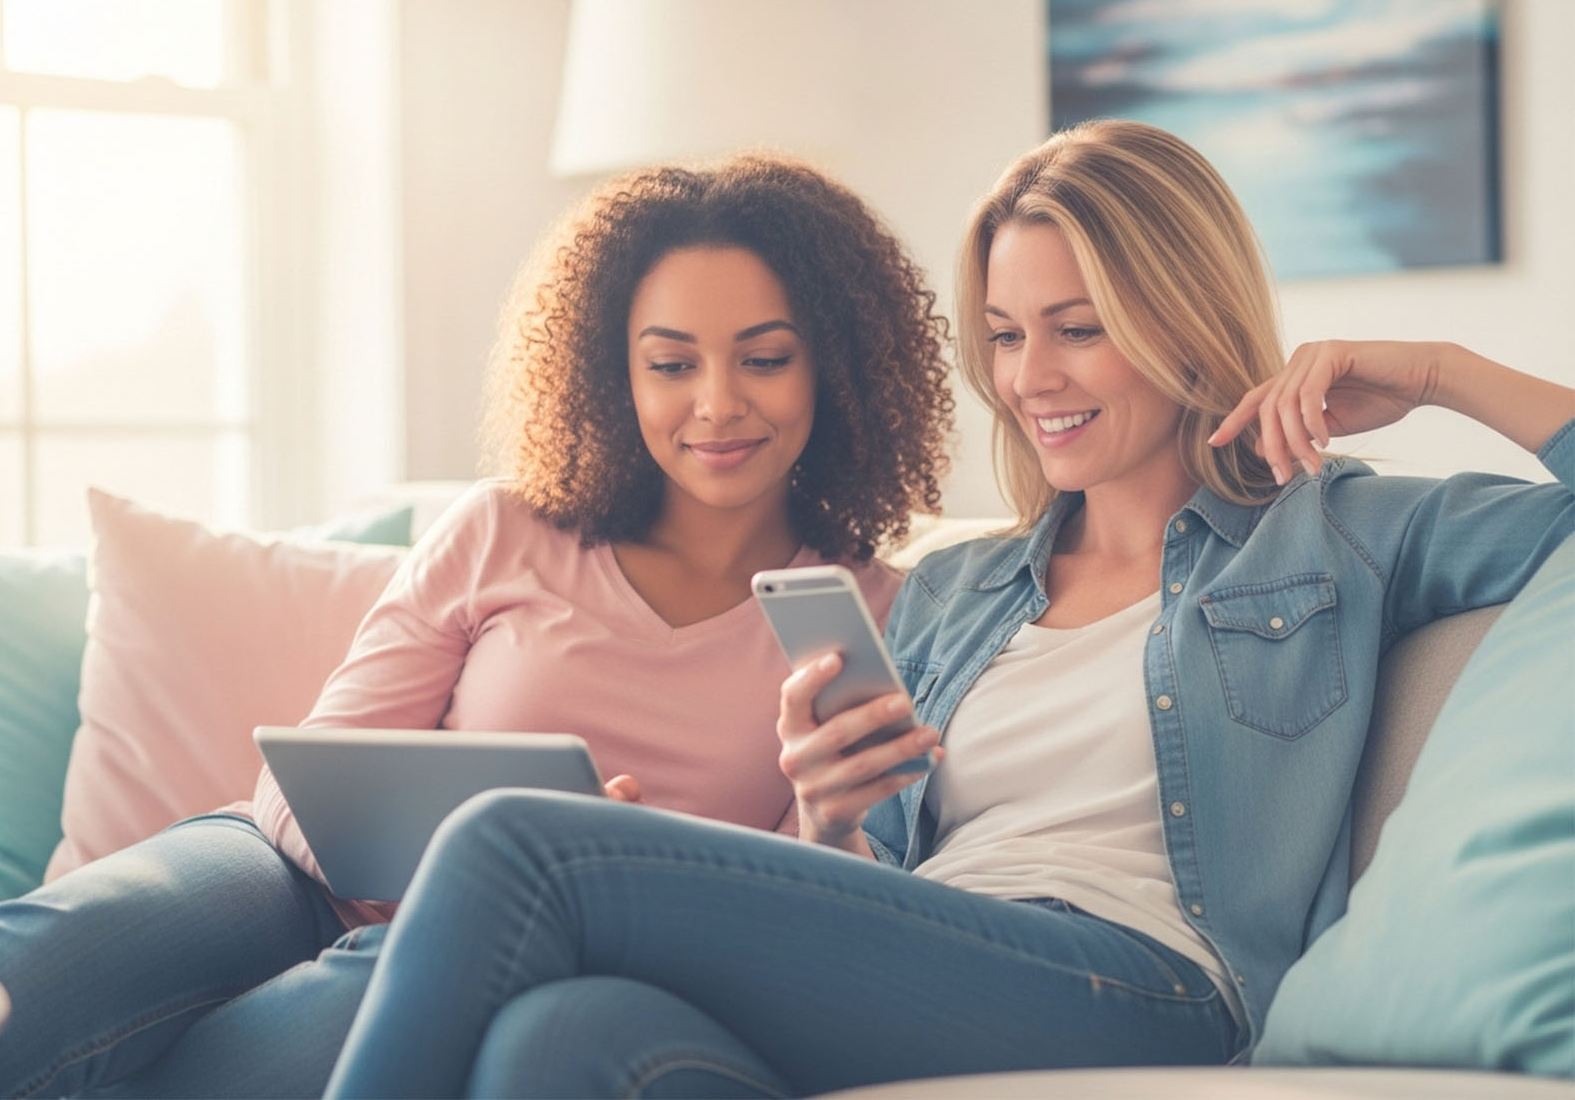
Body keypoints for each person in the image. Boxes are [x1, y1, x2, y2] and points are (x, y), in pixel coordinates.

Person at [320, 119, 1575, 1099]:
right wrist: (826, 816)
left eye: (1078, 329)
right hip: (941, 945)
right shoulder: (956, 589)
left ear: (1185, 321)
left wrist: (1437, 373)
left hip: (1152, 984)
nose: (1032, 378)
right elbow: (885, 881)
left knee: (513, 842)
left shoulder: (1337, 531)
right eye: (1006, 334)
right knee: (567, 1037)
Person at [0, 154, 955, 1099]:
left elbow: (808, 924)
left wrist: (576, 877)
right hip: (291, 875)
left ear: (837, 366)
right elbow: (306, 777)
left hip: (509, 955)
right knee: (39, 965)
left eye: (765, 358)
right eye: (670, 362)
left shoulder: (879, 612)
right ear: (617, 372)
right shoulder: (505, 528)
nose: (716, 403)